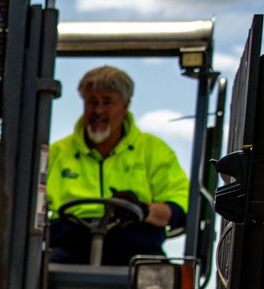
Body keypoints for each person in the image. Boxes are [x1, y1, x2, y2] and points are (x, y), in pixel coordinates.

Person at [44, 66, 190, 266]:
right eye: (92, 102)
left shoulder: (154, 151)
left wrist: (141, 209)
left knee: (163, 283)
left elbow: (178, 208)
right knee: (33, 275)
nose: (98, 111)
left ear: (125, 104)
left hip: (136, 248)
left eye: (107, 102)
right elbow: (31, 205)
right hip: (69, 247)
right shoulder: (57, 153)